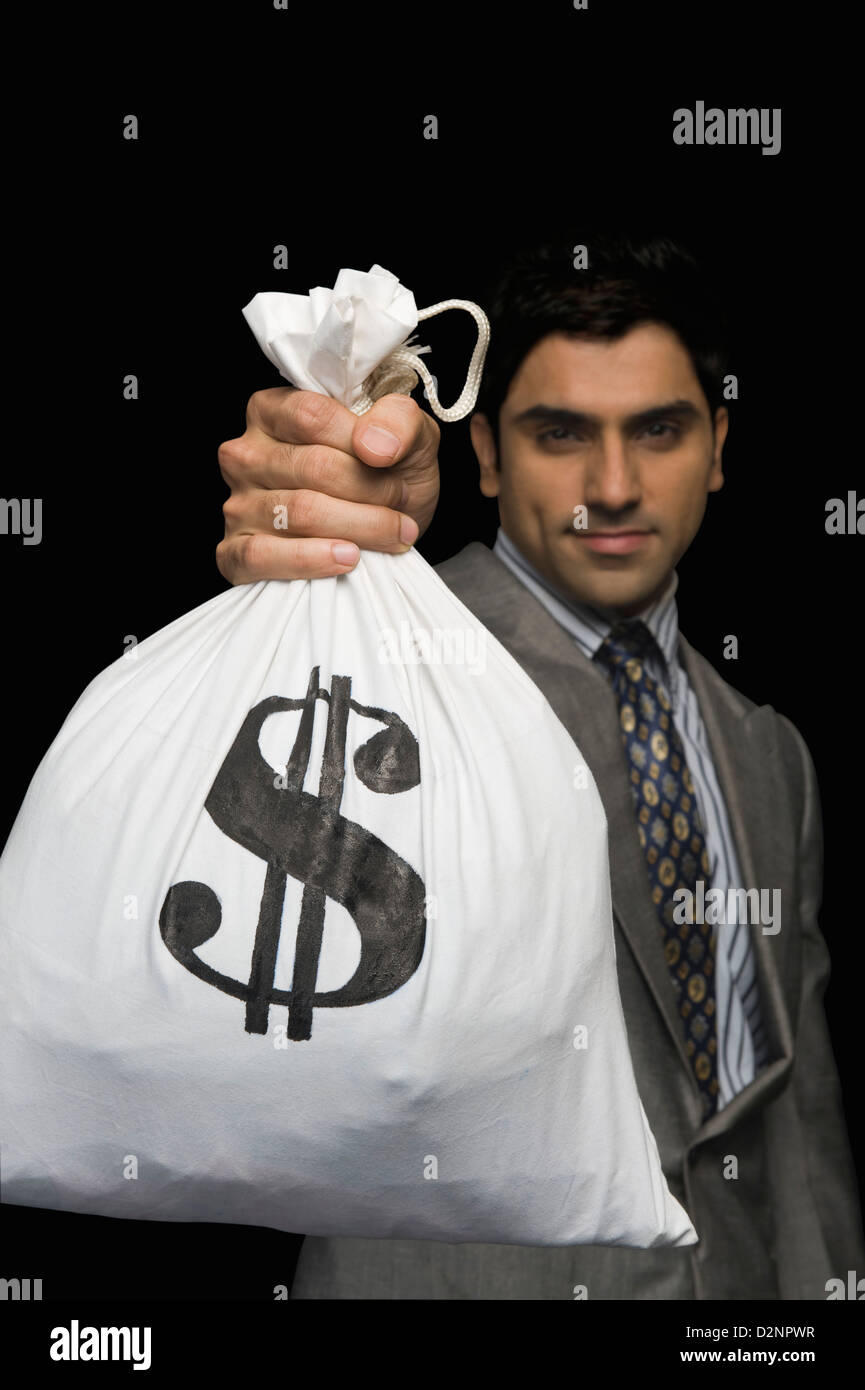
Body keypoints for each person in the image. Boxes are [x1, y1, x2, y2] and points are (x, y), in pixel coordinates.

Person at [215, 235, 864, 1299]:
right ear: (485, 456)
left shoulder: (767, 752)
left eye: (657, 431)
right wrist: (327, 561)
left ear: (716, 445)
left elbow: (793, 1123)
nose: (611, 487)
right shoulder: (391, 662)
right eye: (560, 435)